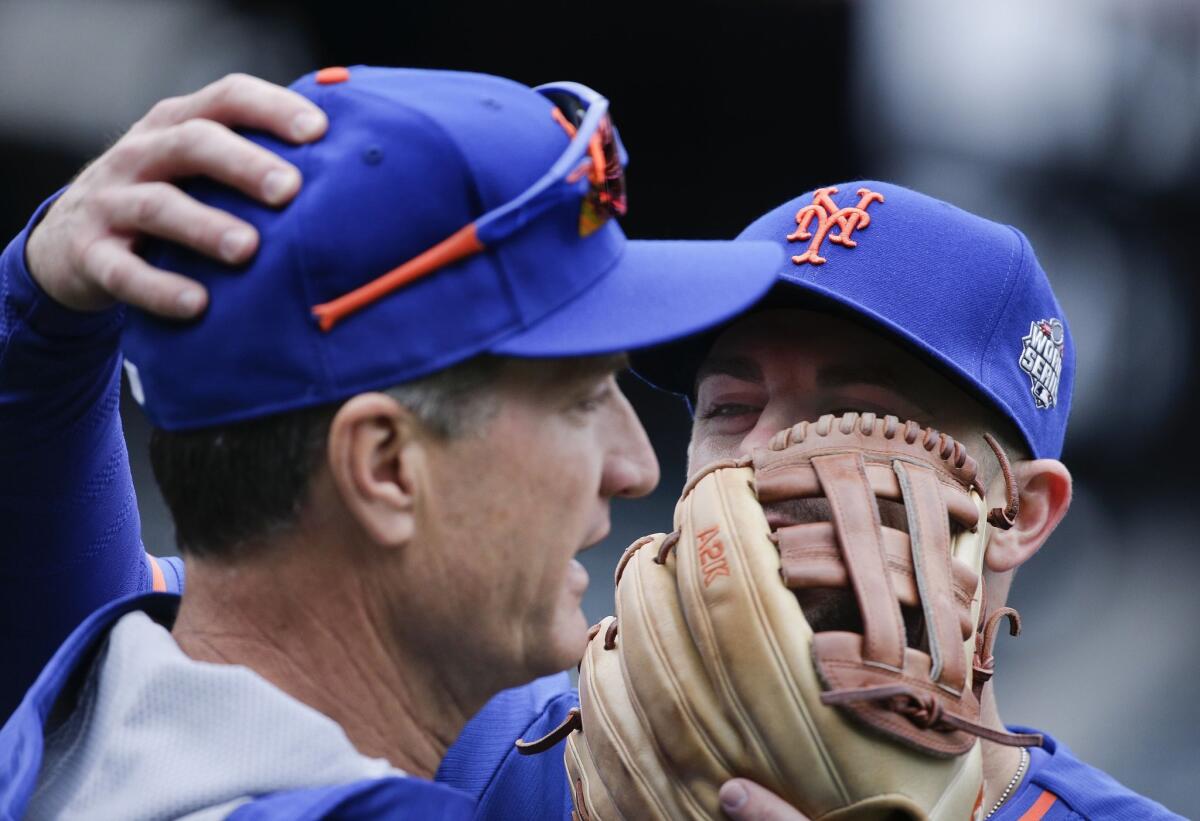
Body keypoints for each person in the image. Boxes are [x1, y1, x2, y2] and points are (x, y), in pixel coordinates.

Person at [0, 66, 785, 818]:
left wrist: (36, 326)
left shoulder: (66, 718)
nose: (635, 464)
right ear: (384, 467)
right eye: (581, 400)